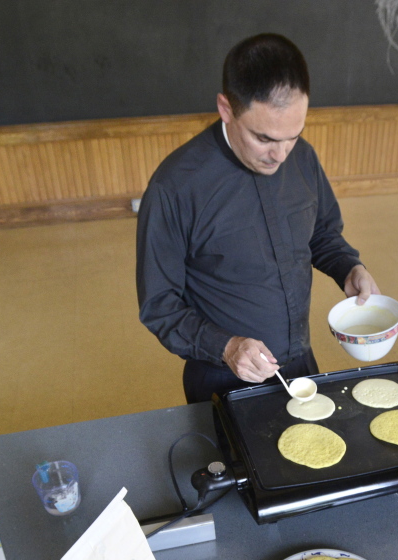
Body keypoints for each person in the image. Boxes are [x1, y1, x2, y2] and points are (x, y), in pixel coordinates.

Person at [136, 33, 380, 403]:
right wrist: (227, 347)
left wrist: (349, 268)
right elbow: (159, 304)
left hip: (300, 364)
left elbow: (322, 234)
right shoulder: (176, 187)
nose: (280, 155)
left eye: (293, 136)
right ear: (226, 108)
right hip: (221, 376)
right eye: (264, 138)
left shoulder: (303, 158)